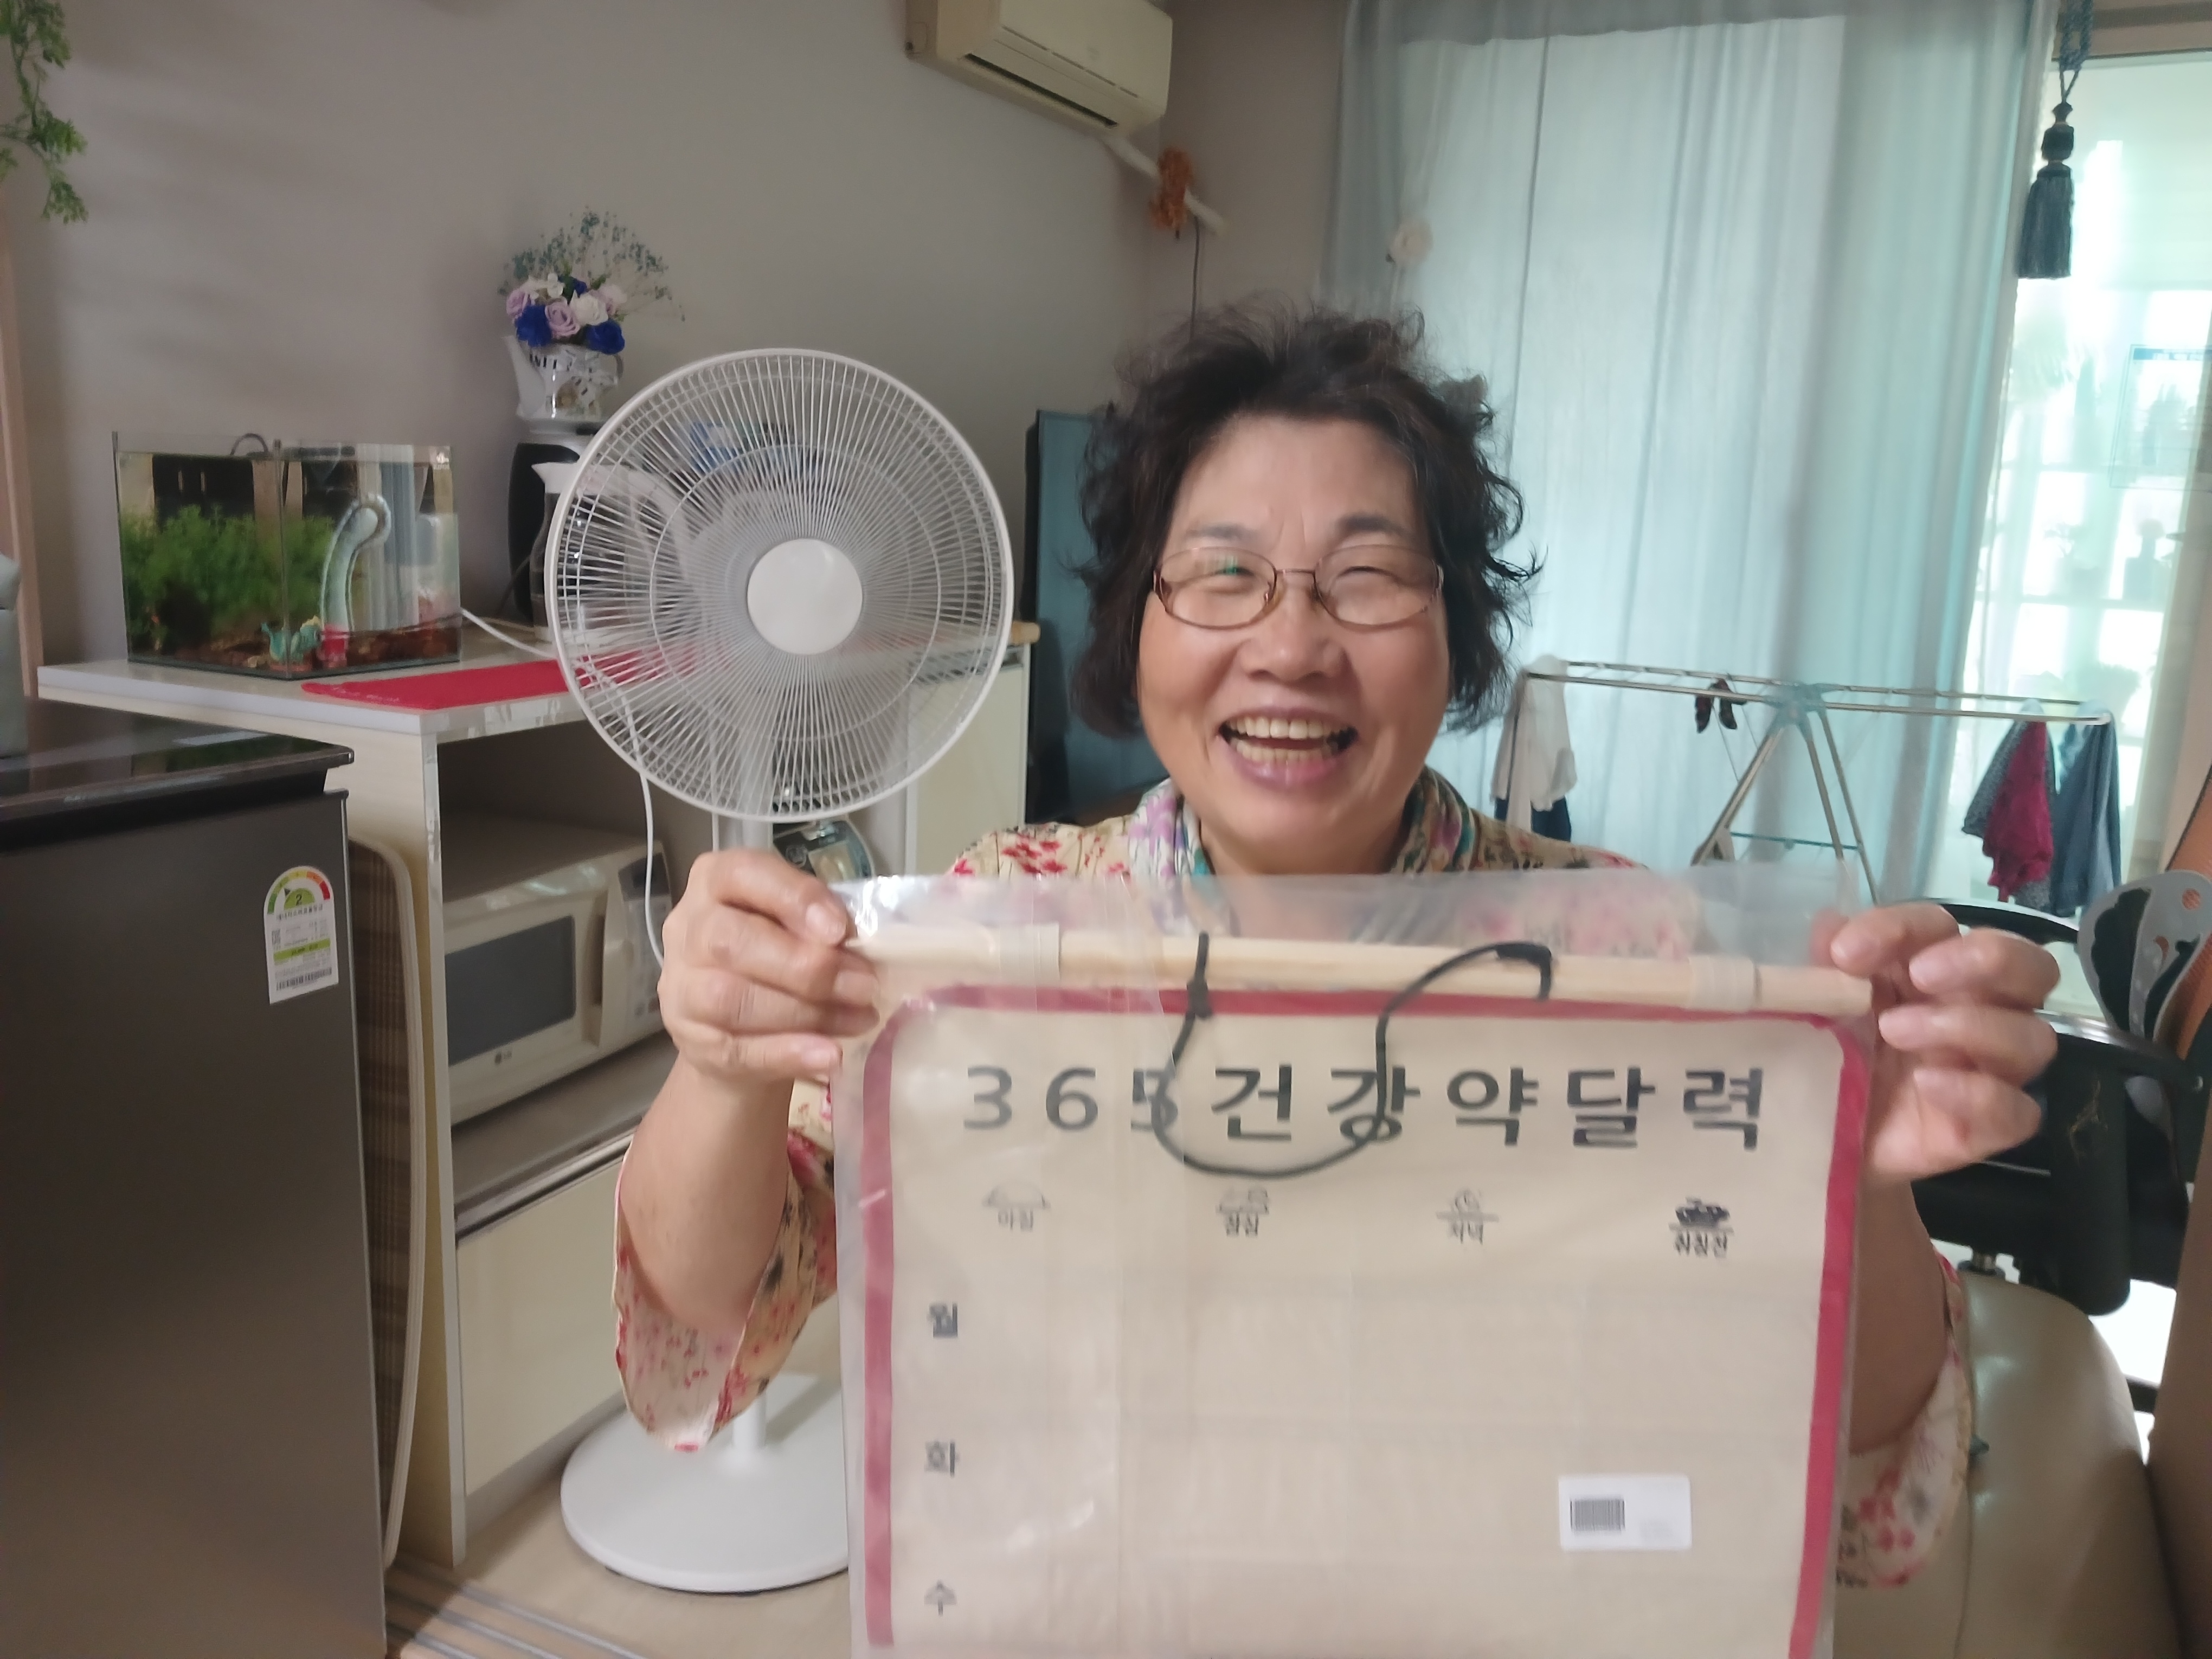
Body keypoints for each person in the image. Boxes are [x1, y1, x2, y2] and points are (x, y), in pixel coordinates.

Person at [612, 306, 2057, 1590]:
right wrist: (727, 1066)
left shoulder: (1633, 961)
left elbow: (1872, 1517)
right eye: (1222, 573)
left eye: (1366, 577)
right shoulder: (1004, 934)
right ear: (1137, 625)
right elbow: (700, 1358)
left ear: (1456, 636)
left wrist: (1854, 1164)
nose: (1293, 645)